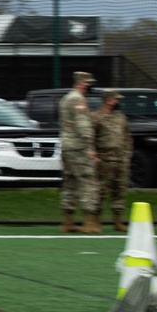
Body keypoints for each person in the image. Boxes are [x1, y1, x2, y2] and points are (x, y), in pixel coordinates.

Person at [58, 71, 101, 233]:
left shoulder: (66, 98)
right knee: (88, 181)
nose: (91, 86)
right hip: (79, 147)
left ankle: (68, 221)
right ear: (82, 83)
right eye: (89, 83)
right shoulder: (77, 99)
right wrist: (90, 148)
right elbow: (83, 125)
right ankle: (89, 223)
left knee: (69, 183)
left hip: (68, 146)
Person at [92, 88, 131, 231]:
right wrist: (94, 155)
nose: (118, 101)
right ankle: (95, 220)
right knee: (101, 191)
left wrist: (127, 154)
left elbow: (127, 136)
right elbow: (90, 138)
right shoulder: (96, 117)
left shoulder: (120, 117)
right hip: (104, 160)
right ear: (108, 100)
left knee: (120, 190)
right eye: (116, 99)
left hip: (121, 159)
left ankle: (118, 221)